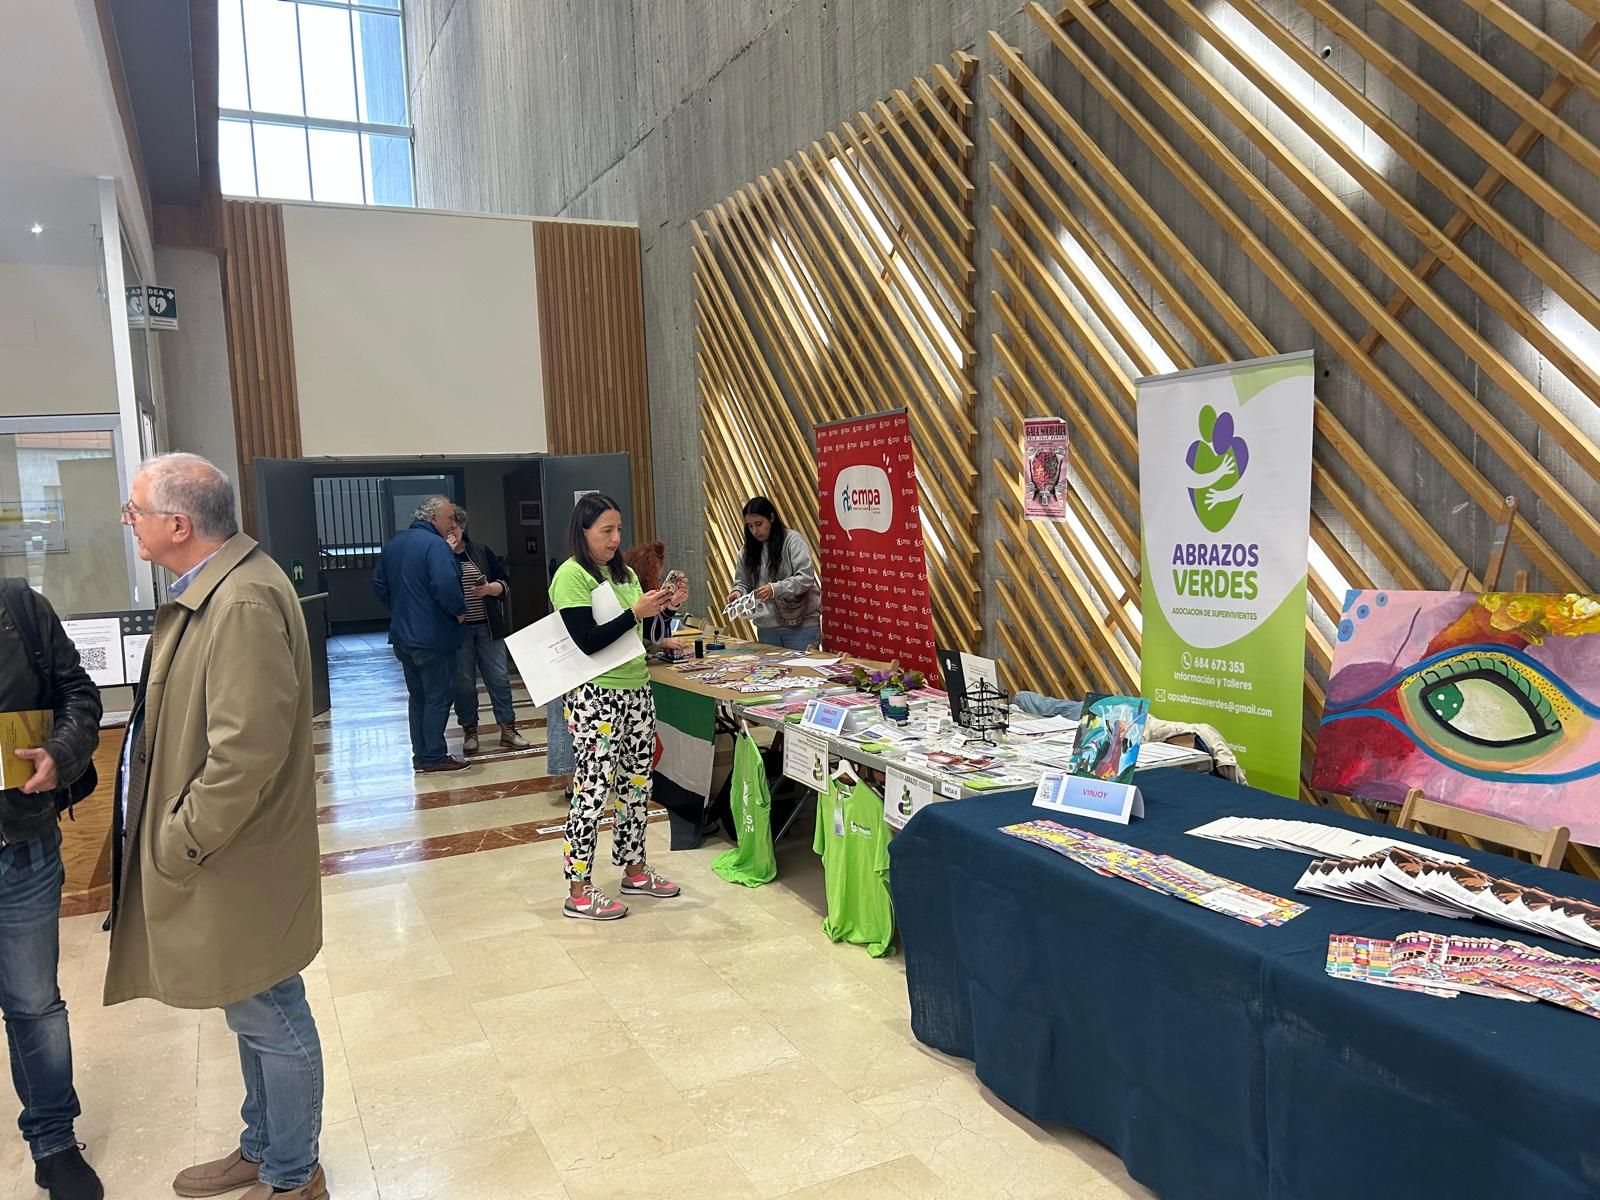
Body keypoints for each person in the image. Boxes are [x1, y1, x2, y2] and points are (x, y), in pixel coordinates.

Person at [106, 453, 327, 1200]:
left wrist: (181, 836)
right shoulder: (219, 588)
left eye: (134, 510)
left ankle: (294, 1176)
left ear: (178, 523)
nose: (127, 522)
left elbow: (245, 752)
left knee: (270, 1012)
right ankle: (262, 1145)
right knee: (249, 1006)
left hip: (236, 855)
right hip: (228, 854)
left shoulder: (239, 603)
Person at [0, 582, 103, 1200]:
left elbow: (77, 695)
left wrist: (60, 753)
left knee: (34, 1005)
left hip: (22, 848)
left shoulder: (18, 609)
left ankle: (54, 1142)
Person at [550, 494, 687, 920]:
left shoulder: (624, 572)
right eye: (606, 531)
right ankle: (578, 888)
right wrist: (634, 611)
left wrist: (665, 605)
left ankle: (635, 869)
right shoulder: (571, 576)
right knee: (592, 791)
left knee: (637, 786)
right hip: (596, 697)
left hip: (637, 689)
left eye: (619, 529)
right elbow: (587, 641)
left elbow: (635, 635)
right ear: (584, 532)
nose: (615, 538)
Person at [374, 496, 469, 773]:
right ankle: (434, 757)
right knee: (438, 696)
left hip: (403, 636)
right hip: (433, 638)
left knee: (417, 697)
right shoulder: (436, 546)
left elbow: (379, 584)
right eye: (449, 517)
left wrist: (400, 607)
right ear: (433, 518)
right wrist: (459, 610)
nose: (452, 523)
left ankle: (421, 755)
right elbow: (445, 583)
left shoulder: (393, 545)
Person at [445, 509, 530, 755]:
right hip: (458, 630)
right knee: (464, 683)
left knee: (499, 678)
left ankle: (508, 727)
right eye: (448, 529)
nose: (453, 533)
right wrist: (445, 555)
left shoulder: (480, 551)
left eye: (457, 528)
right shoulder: (439, 556)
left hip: (488, 625)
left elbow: (504, 581)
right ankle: (469, 730)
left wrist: (490, 589)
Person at [725, 496, 821, 651]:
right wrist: (737, 592)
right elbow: (742, 581)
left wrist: (775, 588)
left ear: (771, 518)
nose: (755, 531)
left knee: (801, 672)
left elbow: (805, 577)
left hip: (800, 624)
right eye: (749, 526)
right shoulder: (746, 551)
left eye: (759, 524)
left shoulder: (793, 541)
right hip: (766, 627)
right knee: (771, 673)